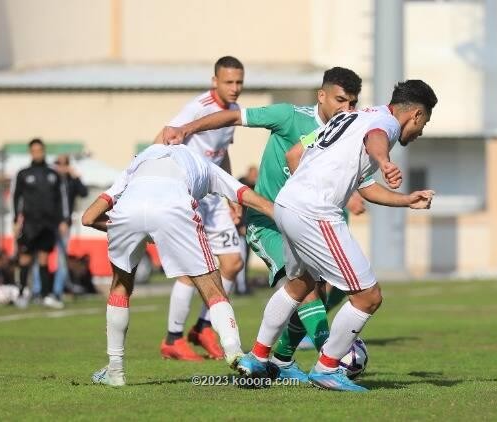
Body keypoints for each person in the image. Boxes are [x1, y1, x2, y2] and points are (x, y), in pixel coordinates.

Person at [162, 67, 366, 381]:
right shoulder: (288, 116)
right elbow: (233, 117)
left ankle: (282, 360)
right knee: (304, 287)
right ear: (321, 96)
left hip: (309, 222)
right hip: (268, 221)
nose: (346, 109)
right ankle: (330, 360)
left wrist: (373, 194)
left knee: (336, 288)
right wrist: (186, 129)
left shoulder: (348, 130)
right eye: (341, 100)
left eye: (352, 103)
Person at [235, 79, 438, 391]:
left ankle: (257, 356)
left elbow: (359, 183)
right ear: (415, 115)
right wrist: (385, 160)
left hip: (287, 204)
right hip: (316, 212)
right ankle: (327, 368)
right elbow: (377, 137)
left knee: (299, 285)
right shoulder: (384, 124)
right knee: (368, 297)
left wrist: (406, 199)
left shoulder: (351, 117)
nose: (420, 131)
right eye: (423, 123)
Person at [82, 143, 274, 386]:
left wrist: (134, 229)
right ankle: (235, 352)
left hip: (126, 211)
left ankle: (115, 371)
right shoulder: (206, 165)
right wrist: (277, 213)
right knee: (211, 285)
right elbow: (244, 195)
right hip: (174, 208)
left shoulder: (137, 163)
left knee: (120, 286)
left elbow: (88, 218)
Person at [153, 56, 246, 361]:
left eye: (239, 82)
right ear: (214, 81)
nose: (235, 88)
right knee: (192, 268)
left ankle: (204, 327)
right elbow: (165, 134)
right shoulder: (198, 108)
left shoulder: (233, 111)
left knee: (232, 263)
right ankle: (173, 338)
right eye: (229, 82)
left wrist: (232, 196)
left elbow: (222, 153)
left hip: (215, 197)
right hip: (188, 196)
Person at [12, 138, 64, 309]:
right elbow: (16, 198)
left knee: (44, 258)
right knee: (25, 258)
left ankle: (45, 295)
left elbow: (60, 200)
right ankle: (21, 294)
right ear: (30, 152)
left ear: (44, 151)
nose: (37, 153)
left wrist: (63, 220)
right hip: (29, 223)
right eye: (34, 150)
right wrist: (15, 220)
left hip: (48, 224)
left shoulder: (53, 174)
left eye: (39, 150)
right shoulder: (23, 174)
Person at [52, 154, 88, 302]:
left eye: (63, 164)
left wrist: (76, 176)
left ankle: (57, 291)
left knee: (61, 259)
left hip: (64, 225)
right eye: (58, 164)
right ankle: (39, 291)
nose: (60, 167)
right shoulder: (51, 180)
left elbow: (84, 192)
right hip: (49, 224)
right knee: (41, 258)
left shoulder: (70, 181)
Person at [235, 166, 258, 295]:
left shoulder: (254, 188)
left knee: (246, 259)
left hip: (248, 230)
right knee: (241, 260)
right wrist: (240, 227)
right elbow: (238, 208)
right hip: (240, 231)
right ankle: (241, 288)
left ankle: (243, 285)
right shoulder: (241, 185)